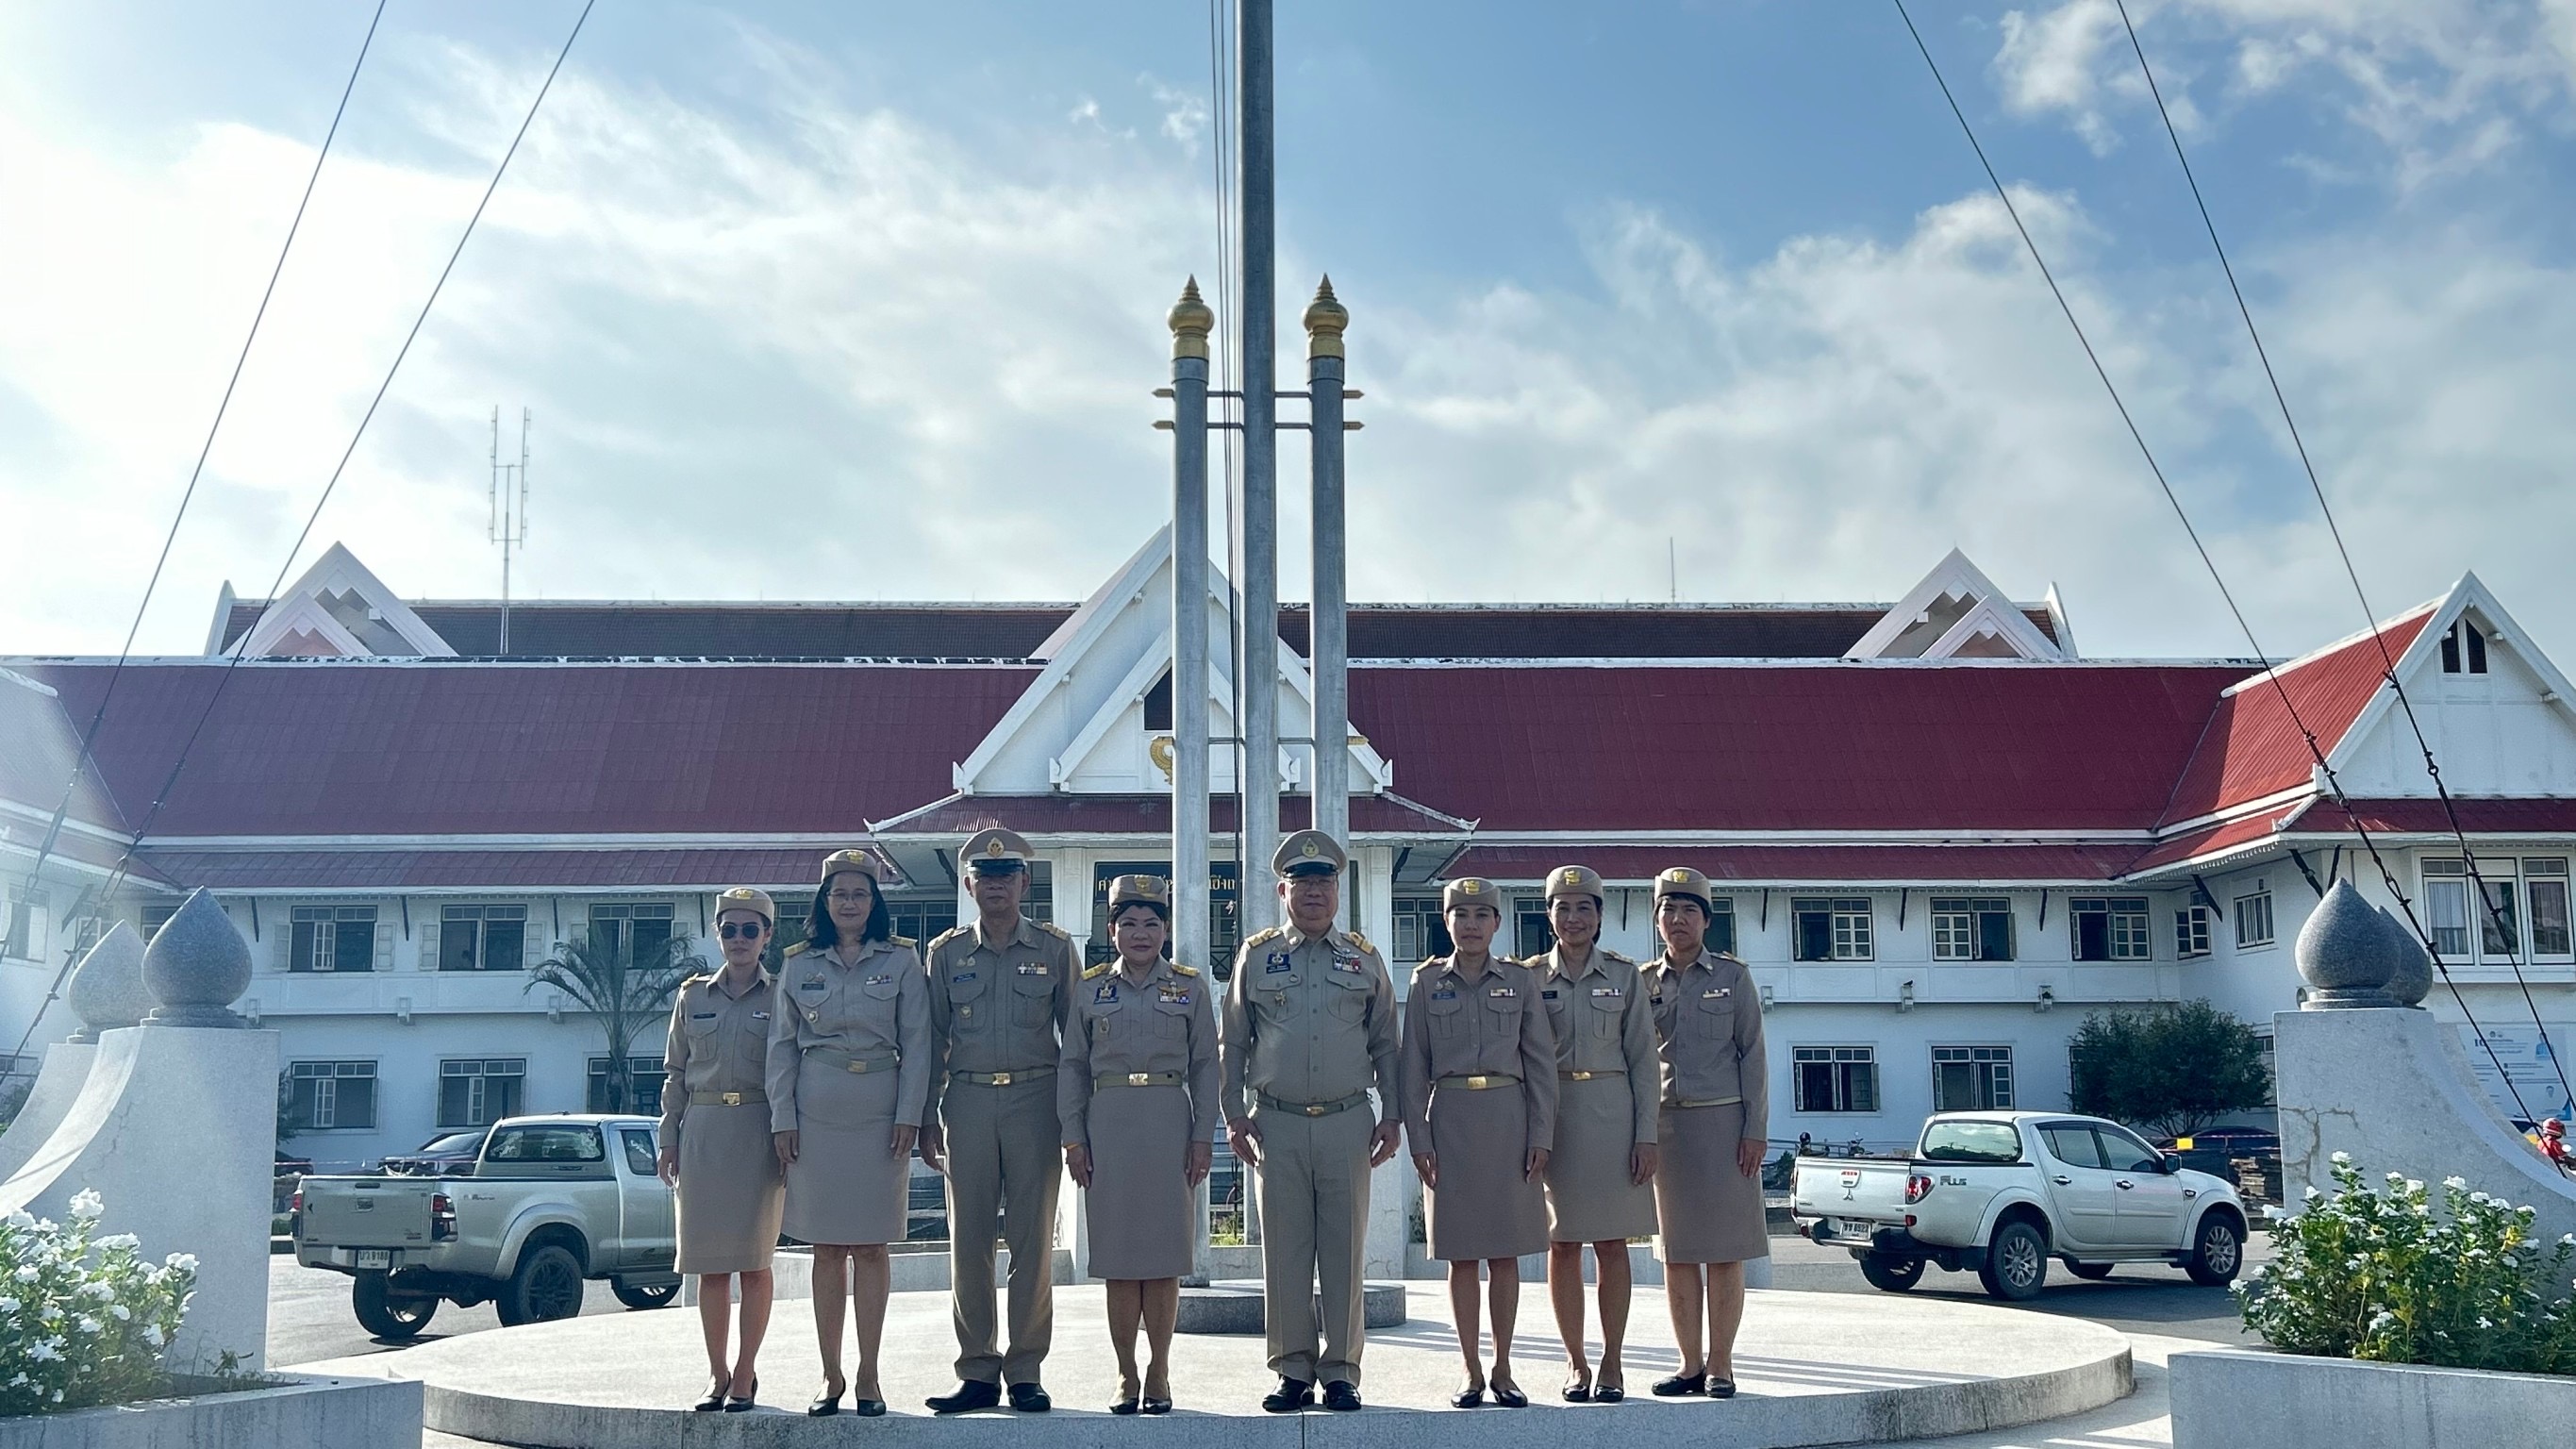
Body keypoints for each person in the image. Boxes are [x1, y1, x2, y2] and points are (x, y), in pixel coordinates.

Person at [1220, 828, 1403, 1414]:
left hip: (1348, 1121)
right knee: (1287, 1251)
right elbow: (1234, 1042)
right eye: (1303, 882)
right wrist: (1231, 1114)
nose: (1315, 892)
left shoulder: (1364, 958)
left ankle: (1343, 1369)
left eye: (1324, 881)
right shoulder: (1259, 954)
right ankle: (1292, 1369)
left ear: (1338, 889)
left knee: (1345, 1250)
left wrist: (1393, 1113)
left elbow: (1386, 1046)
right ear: (1283, 890)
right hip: (1276, 1121)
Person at [919, 826, 1078, 1414]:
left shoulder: (1056, 949)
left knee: (1033, 1241)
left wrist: (1073, 1118)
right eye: (984, 877)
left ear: (1024, 883)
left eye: (1006, 876)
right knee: (970, 1243)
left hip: (1036, 1101)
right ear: (969, 885)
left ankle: (1027, 1368)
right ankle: (978, 1370)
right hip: (967, 1102)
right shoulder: (946, 953)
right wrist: (925, 1118)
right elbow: (932, 1040)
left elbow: (1076, 1042)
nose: (995, 886)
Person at [767, 851, 931, 1417]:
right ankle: (830, 1373)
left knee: (872, 1245)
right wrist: (781, 1118)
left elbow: (918, 1044)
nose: (850, 903)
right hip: (816, 1114)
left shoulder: (903, 961)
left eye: (860, 894)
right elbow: (782, 1047)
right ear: (825, 901)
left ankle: (869, 1374)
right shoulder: (798, 963)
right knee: (828, 1247)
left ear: (874, 902)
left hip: (880, 1115)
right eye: (840, 894)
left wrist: (911, 1113)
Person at [1058, 875, 1219, 1414]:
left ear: (1166, 930)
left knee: (1164, 1258)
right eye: (1129, 924)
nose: (1140, 933)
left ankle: (1160, 1369)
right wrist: (1073, 1137)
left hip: (1170, 1123)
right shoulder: (1091, 988)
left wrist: (1203, 1136)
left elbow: (1205, 1066)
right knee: (1121, 1258)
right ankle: (1126, 1373)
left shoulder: (1191, 988)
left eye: (1151, 924)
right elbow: (1073, 1067)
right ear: (1112, 931)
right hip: (1109, 1125)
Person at [1401, 876, 1557, 1408]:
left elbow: (1541, 1065)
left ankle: (1505, 1368)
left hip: (1508, 1120)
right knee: (1461, 1256)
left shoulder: (1519, 980)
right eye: (1460, 916)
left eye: (1480, 916)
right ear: (1446, 923)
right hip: (1449, 1123)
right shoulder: (1425, 983)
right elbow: (1412, 1066)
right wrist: (1418, 1138)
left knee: (1505, 1254)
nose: (1470, 925)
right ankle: (1469, 1369)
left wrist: (1542, 1134)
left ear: (1497, 923)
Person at [1527, 864, 1658, 1404]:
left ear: (1600, 916)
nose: (1574, 917)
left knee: (1611, 1243)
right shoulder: (1530, 977)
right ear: (1549, 915)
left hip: (1612, 1114)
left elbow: (1644, 1061)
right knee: (1561, 1243)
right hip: (1552, 1116)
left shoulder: (1626, 977)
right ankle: (1575, 1361)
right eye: (1564, 907)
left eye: (1585, 907)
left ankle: (1612, 1360)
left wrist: (1645, 1134)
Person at [658, 886, 789, 1413]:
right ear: (717, 934)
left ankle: (745, 1373)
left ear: (767, 936)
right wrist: (669, 1139)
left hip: (759, 1130)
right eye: (729, 929)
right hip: (705, 1132)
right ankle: (716, 1373)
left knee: (755, 1265)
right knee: (711, 1267)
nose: (739, 939)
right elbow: (674, 1075)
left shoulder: (782, 995)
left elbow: (790, 1072)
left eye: (750, 930)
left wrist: (788, 1134)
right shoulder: (693, 997)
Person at [1641, 866, 1768, 1401]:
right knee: (1676, 1251)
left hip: (1725, 1127)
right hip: (1668, 1127)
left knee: (1724, 1250)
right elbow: (1635, 1060)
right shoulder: (1643, 982)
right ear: (1657, 920)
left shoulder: (1733, 979)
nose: (1678, 920)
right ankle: (1689, 1363)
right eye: (1668, 910)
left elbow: (1753, 1056)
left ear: (1707, 920)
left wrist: (1755, 1130)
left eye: (1688, 910)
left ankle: (1722, 1365)